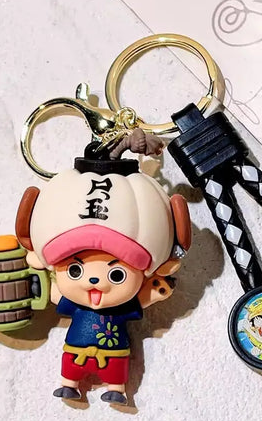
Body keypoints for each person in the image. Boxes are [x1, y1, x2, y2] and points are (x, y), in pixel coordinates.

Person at [15, 155, 190, 405]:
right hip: (76, 350)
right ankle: (69, 383)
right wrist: (37, 286)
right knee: (71, 365)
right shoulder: (77, 303)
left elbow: (140, 301)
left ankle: (116, 388)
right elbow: (55, 294)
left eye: (117, 274)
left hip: (114, 352)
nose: (94, 281)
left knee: (115, 369)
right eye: (75, 271)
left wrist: (155, 292)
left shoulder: (121, 306)